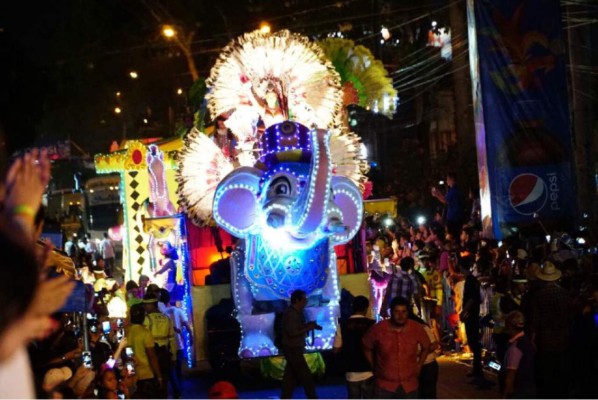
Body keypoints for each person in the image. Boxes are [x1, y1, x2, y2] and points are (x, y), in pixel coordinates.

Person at [363, 296, 431, 398]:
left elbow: (426, 346)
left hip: (409, 384)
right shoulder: (378, 329)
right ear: (391, 312)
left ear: (408, 312)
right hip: (384, 385)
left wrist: (419, 365)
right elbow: (366, 346)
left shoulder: (416, 328)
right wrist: (374, 366)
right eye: (397, 312)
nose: (400, 316)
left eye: (404, 312)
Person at [529, 261, 570, 398]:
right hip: (562, 337)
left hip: (545, 338)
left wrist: (533, 338)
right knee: (560, 370)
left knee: (546, 372)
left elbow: (536, 319)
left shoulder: (539, 295)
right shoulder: (564, 294)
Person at [333, 295, 375, 399]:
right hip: (369, 371)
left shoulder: (342, 325)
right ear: (366, 308)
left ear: (352, 307)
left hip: (351, 372)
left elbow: (336, 349)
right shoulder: (372, 325)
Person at [280, 289, 319, 399]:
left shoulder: (295, 313)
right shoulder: (291, 313)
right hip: (293, 349)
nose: (306, 302)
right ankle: (312, 397)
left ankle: (285, 397)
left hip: (293, 348)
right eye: (304, 299)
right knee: (306, 376)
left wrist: (308, 325)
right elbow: (292, 332)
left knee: (290, 377)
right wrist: (308, 327)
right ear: (297, 300)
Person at [125, 303, 162, 398]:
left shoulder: (126, 332)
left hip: (132, 375)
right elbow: (152, 357)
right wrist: (159, 376)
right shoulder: (145, 333)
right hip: (146, 374)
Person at [143, 293, 176, 399]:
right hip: (165, 354)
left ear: (152, 305)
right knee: (164, 383)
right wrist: (174, 356)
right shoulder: (166, 318)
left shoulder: (147, 319)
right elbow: (172, 339)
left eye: (146, 305)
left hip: (153, 354)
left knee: (155, 383)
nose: (145, 307)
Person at [501, 311, 535, 399]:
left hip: (518, 391)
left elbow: (511, 375)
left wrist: (505, 395)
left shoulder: (515, 348)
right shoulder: (528, 342)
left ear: (510, 326)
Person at [431, 173, 464, 239]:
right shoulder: (452, 190)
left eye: (447, 180)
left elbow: (445, 200)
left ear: (451, 180)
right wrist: (438, 193)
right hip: (454, 217)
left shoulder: (454, 190)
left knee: (453, 236)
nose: (447, 181)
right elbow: (445, 198)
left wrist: (436, 195)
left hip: (454, 217)